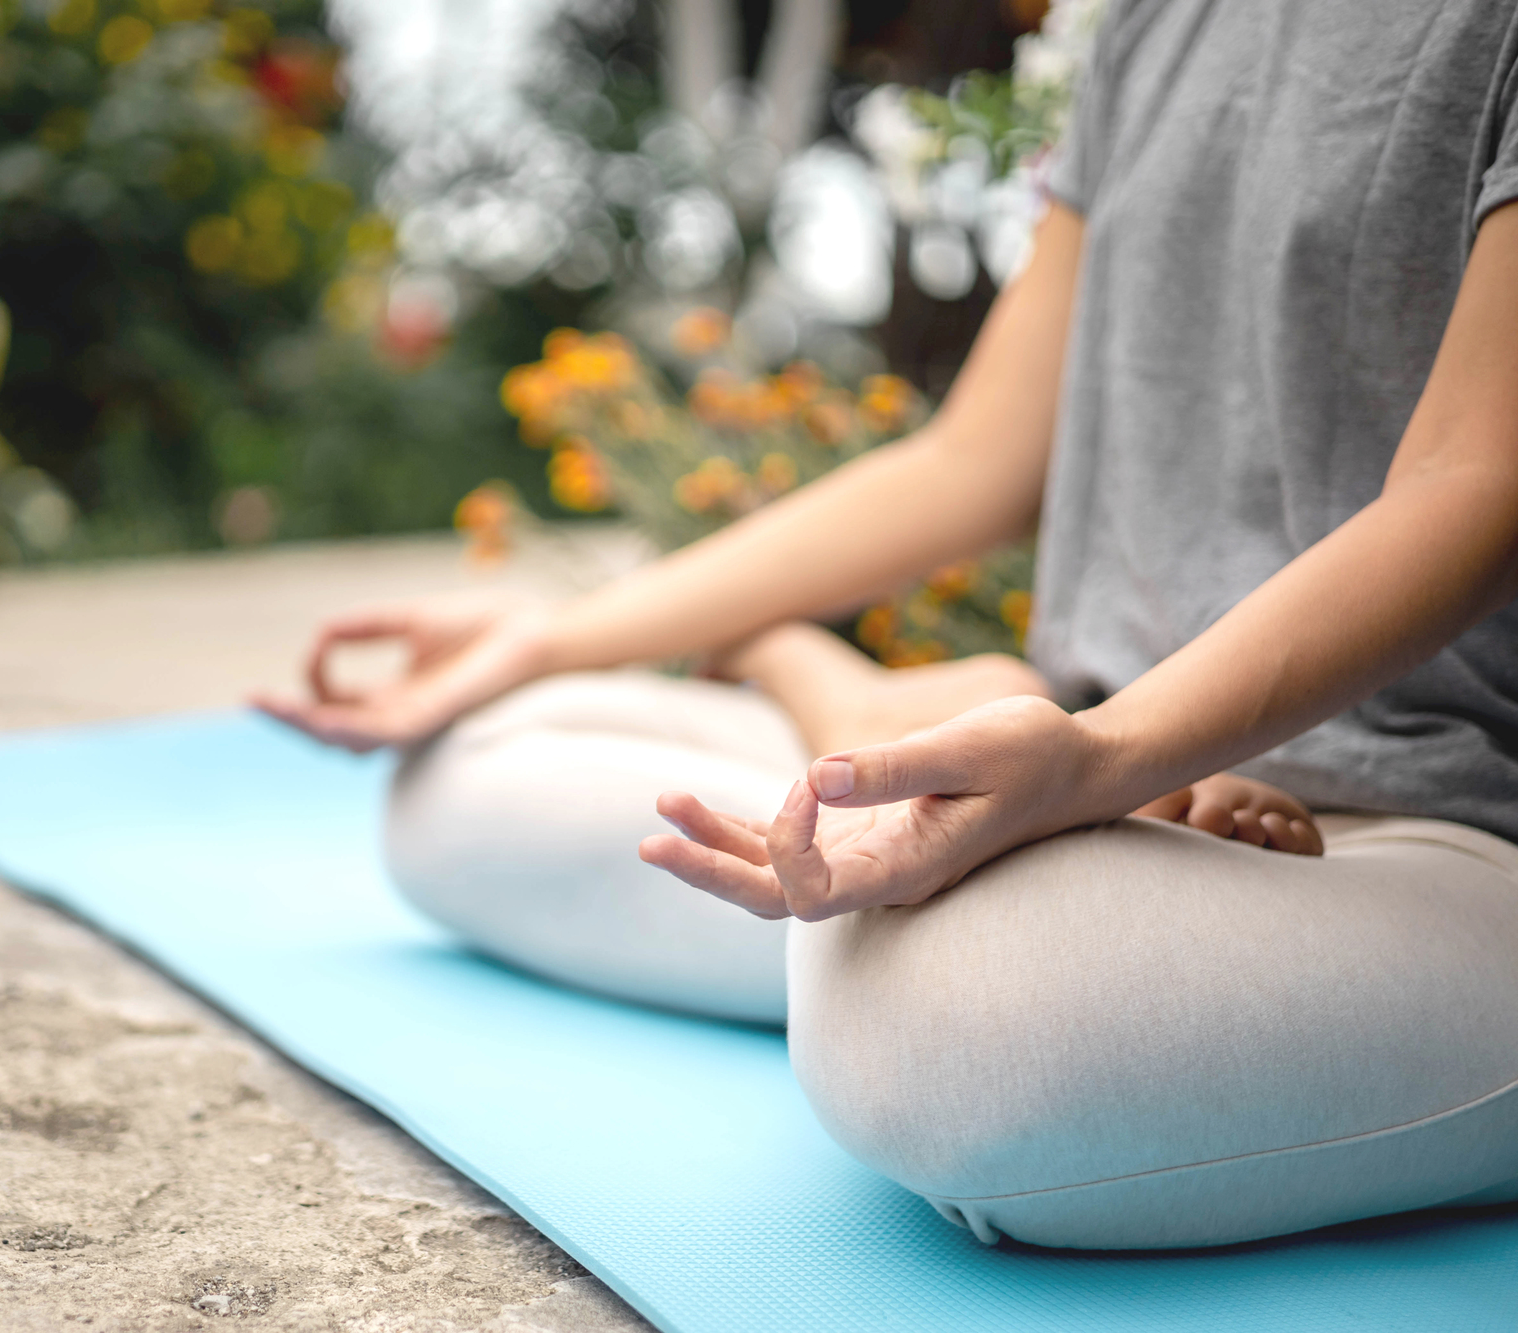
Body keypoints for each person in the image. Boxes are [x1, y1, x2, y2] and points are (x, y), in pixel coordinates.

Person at [258, 0, 1518, 1250]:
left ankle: (860, 745)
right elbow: (972, 455)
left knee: (966, 1036)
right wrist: (549, 636)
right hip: (1082, 762)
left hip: (1429, 832)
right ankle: (887, 771)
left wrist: (1108, 756)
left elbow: (1472, 486)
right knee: (470, 768)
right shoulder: (1155, 20)